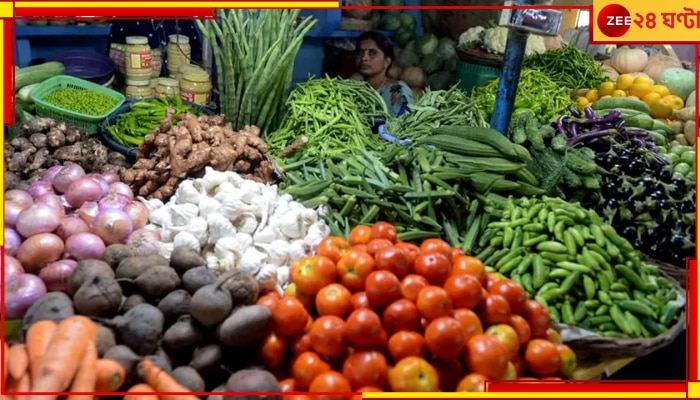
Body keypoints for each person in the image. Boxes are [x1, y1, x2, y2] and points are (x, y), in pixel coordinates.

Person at [107, 19, 203, 76]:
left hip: (177, 89)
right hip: (136, 88)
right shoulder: (126, 18)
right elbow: (110, 59)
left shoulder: (183, 20)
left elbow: (196, 58)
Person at [355, 31, 414, 117]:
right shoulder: (355, 92)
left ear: (387, 61)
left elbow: (405, 124)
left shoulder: (399, 90)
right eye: (360, 53)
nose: (364, 58)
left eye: (372, 53)